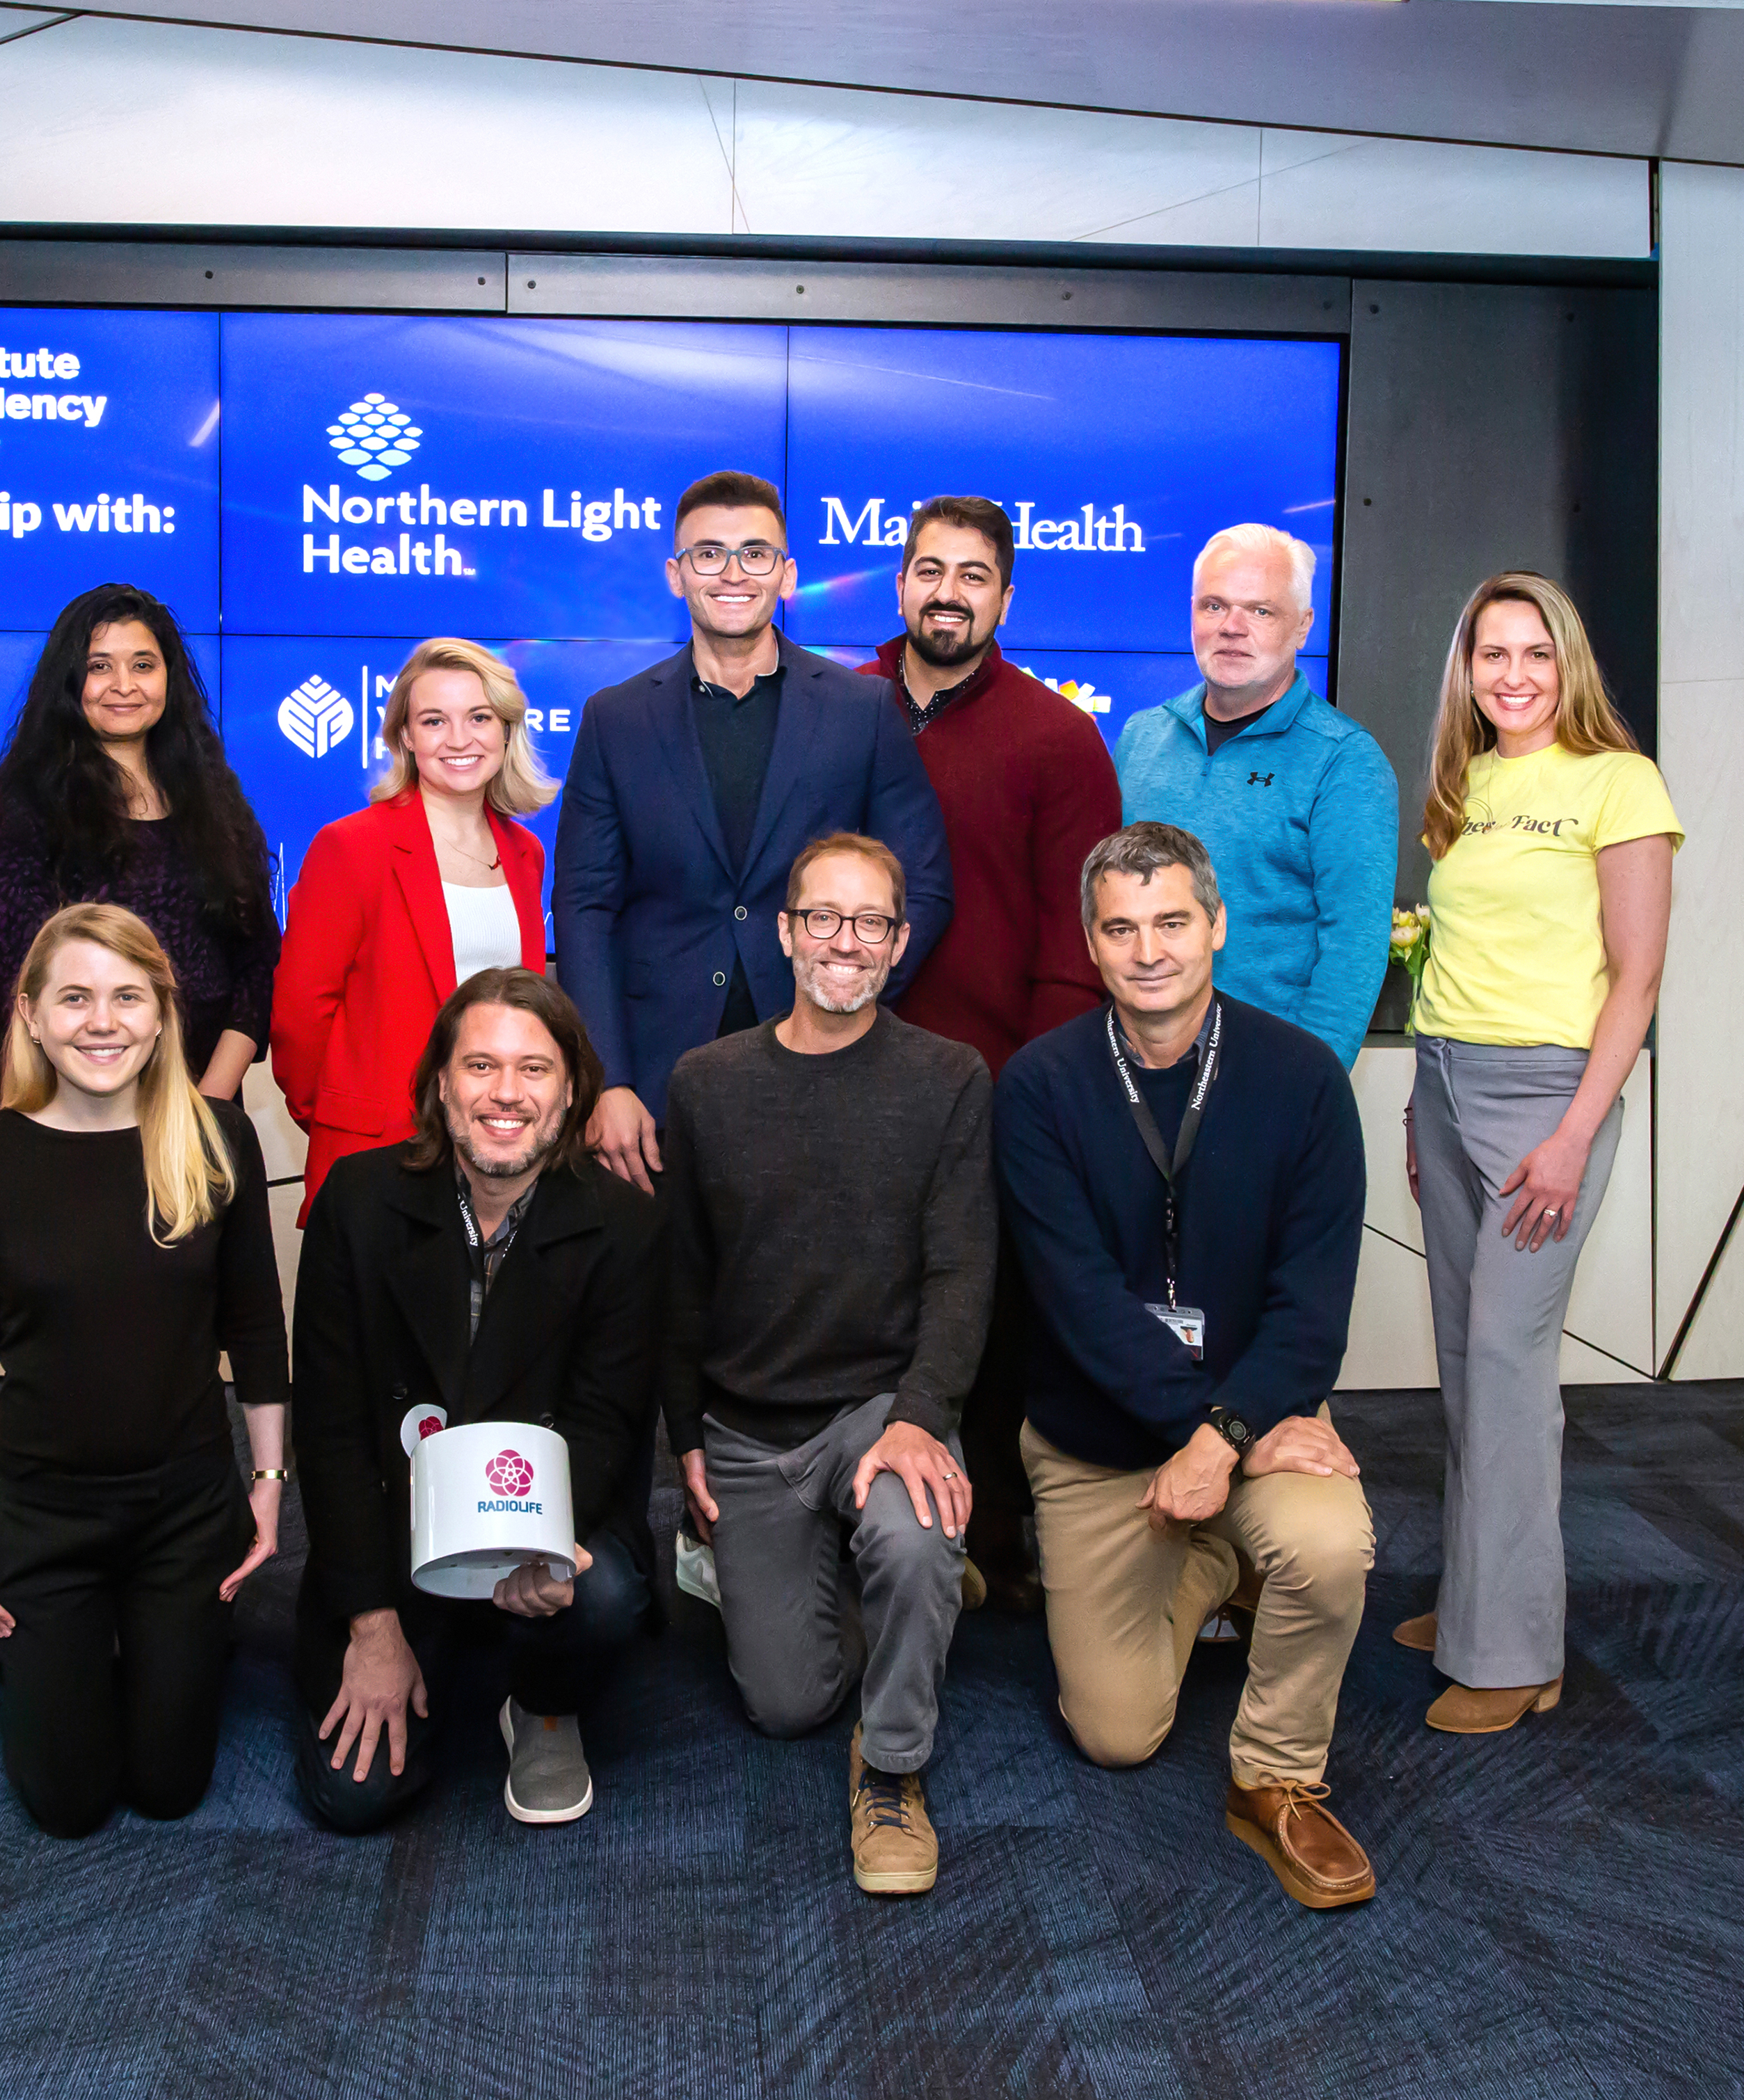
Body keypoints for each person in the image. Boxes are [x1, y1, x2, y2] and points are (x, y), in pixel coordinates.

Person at [994, 822, 1378, 1909]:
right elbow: (1075, 1305)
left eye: (1172, 921)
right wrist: (1204, 1428)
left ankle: (1277, 1779)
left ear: (1216, 925)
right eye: (1122, 928)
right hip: (1098, 1443)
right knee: (1116, 1736)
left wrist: (1226, 1436)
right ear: (1091, 941)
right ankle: (1215, 1567)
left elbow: (1314, 1308)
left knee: (1330, 1542)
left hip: (1254, 1426)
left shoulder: (1302, 1080)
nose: (1149, 949)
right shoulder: (1038, 1087)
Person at [0, 904, 289, 1838]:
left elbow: (257, 1330)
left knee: (169, 1788)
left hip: (184, 1509)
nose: (102, 1020)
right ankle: (67, 1647)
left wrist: (270, 1484)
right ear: (30, 1014)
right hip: (45, 1517)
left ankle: (156, 1639)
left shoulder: (217, 1140)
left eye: (127, 997)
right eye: (74, 997)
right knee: (67, 1805)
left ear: (162, 1015)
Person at [662, 834, 991, 1897]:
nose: (844, 942)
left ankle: (892, 1771)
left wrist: (921, 1416)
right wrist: (684, 1441)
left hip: (877, 1407)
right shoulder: (707, 1082)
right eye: (823, 917)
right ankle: (901, 1590)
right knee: (786, 1704)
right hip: (749, 1429)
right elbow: (683, 1280)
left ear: (899, 942)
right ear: (784, 929)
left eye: (871, 922)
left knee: (916, 1518)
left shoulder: (947, 1077)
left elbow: (961, 1274)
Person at [1400, 573, 1678, 1735]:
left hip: (1546, 1096)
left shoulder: (1621, 783)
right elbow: (1453, 952)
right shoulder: (1467, 783)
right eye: (1490, 654)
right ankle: (1478, 1594)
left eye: (1535, 654)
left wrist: (1572, 1136)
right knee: (1469, 1364)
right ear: (1466, 670)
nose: (1512, 675)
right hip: (1445, 1080)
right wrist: (1425, 1107)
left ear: (1570, 664)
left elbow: (1639, 977)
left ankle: (1513, 1650)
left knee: (1511, 1369)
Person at [290, 969, 664, 1831]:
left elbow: (607, 1425)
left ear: (572, 1095)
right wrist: (371, 1628)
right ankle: (407, 1646)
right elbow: (333, 1426)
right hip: (397, 1543)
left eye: (535, 1070)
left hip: (544, 1534)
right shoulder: (357, 1201)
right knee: (353, 1801)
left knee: (601, 1594)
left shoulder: (627, 1226)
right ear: (439, 1086)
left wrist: (543, 1543)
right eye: (480, 1066)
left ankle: (541, 1703)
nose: (506, 1094)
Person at [857, 493, 1124, 1614]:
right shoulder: (839, 705)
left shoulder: (1058, 737)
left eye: (973, 574)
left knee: (1002, 1316)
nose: (948, 591)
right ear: (901, 582)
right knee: (870, 1307)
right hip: (855, 1077)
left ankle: (1001, 1539)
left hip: (999, 1087)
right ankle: (871, 1521)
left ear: (1006, 597)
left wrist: (1033, 1096)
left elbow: (1077, 938)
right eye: (929, 569)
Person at [554, 470, 952, 1190]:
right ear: (677, 576)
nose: (733, 574)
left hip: (823, 1071)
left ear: (788, 574)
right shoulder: (615, 721)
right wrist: (606, 1079)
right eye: (709, 555)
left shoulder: (862, 711)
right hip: (653, 1094)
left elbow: (921, 886)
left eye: (755, 554)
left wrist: (846, 1006)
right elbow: (584, 909)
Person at [273, 639, 552, 1219]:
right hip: (379, 1154)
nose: (458, 739)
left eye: (479, 717)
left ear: (505, 730)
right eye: (434, 720)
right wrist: (342, 1115)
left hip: (495, 1156)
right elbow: (300, 1019)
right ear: (405, 736)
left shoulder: (524, 853)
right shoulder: (351, 847)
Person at [0, 583, 275, 1108]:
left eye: (142, 665)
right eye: (100, 666)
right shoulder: (21, 804)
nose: (124, 685)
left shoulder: (216, 800)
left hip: (201, 1107)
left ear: (169, 678)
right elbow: (22, 982)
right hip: (61, 1110)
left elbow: (257, 966)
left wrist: (208, 1106)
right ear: (71, 680)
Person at [1114, 524, 1396, 1072]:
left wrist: (1309, 1090)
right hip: (1137, 1070)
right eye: (1215, 606)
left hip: (1267, 1077)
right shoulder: (1140, 738)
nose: (1232, 629)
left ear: (1303, 627)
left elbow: (1354, 950)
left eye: (1260, 611)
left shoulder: (1344, 761)